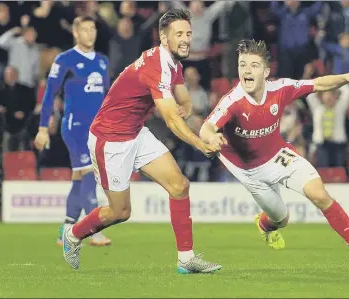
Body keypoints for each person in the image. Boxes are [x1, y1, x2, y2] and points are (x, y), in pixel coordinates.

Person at [54, 9, 223, 274]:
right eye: (179, 34)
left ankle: (186, 259)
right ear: (164, 39)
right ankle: (73, 234)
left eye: (188, 33)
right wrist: (200, 143)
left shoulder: (172, 61)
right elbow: (170, 120)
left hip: (136, 132)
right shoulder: (156, 66)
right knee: (120, 212)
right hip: (110, 140)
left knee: (179, 186)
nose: (186, 39)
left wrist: (187, 105)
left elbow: (182, 96)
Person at [200, 39, 349, 270]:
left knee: (319, 195)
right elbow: (206, 128)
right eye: (242, 64)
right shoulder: (233, 102)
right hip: (250, 171)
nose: (246, 70)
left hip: (279, 155)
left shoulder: (280, 88)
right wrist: (212, 137)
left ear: (265, 72)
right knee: (281, 219)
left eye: (253, 65)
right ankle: (265, 225)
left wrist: (346, 77)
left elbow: (317, 84)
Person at [34, 16, 111, 247]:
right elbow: (49, 95)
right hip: (75, 127)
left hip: (97, 130)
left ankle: (66, 230)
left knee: (80, 179)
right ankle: (94, 230)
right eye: (85, 29)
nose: (90, 33)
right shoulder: (65, 60)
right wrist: (42, 128)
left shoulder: (102, 61)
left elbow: (107, 98)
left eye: (93, 29)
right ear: (76, 33)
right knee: (88, 174)